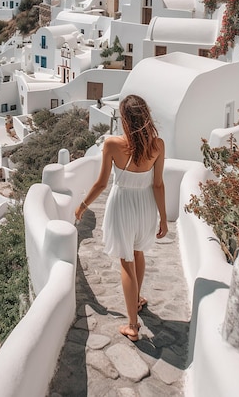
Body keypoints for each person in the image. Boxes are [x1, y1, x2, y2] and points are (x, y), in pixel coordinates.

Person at [75, 94, 168, 342]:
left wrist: (82, 205)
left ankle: (133, 326)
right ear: (145, 116)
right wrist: (164, 218)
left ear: (125, 119)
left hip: (122, 204)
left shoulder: (112, 144)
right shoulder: (157, 145)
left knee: (126, 261)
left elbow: (101, 183)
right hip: (145, 205)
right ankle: (136, 300)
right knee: (138, 253)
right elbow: (158, 185)